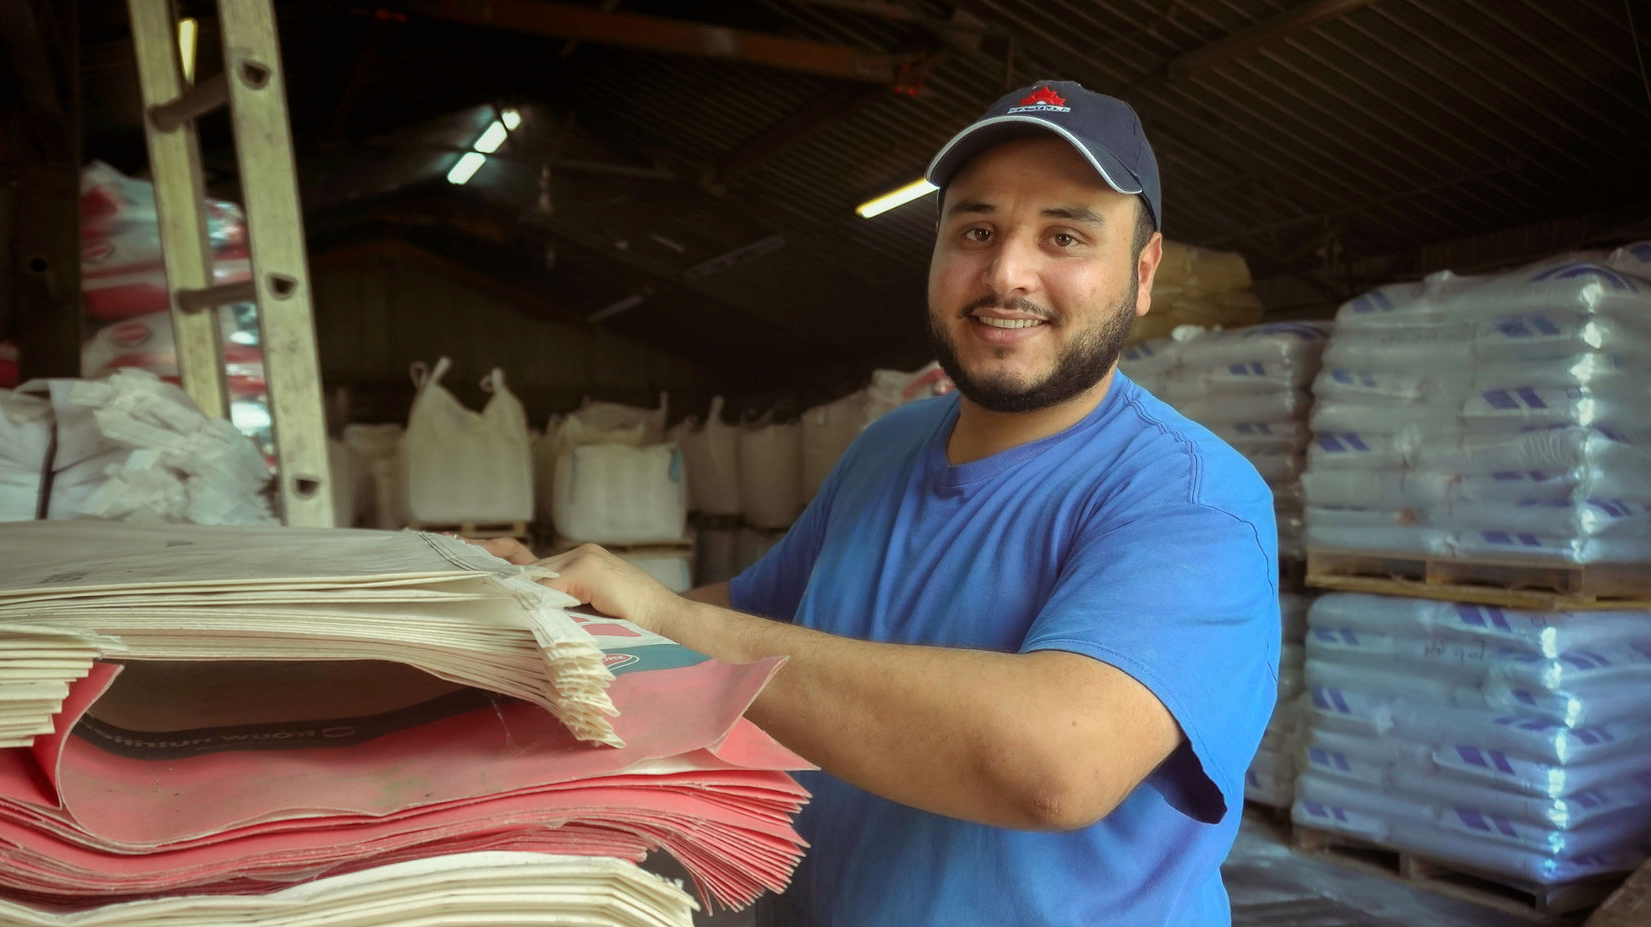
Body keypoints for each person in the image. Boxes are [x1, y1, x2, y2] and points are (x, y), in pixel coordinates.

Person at [485, 80, 1279, 926]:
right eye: (977, 230)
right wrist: (564, 601)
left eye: (1064, 235)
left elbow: (1056, 764)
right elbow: (753, 611)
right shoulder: (886, 449)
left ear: (1143, 271)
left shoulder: (1190, 498)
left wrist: (667, 617)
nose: (1007, 272)